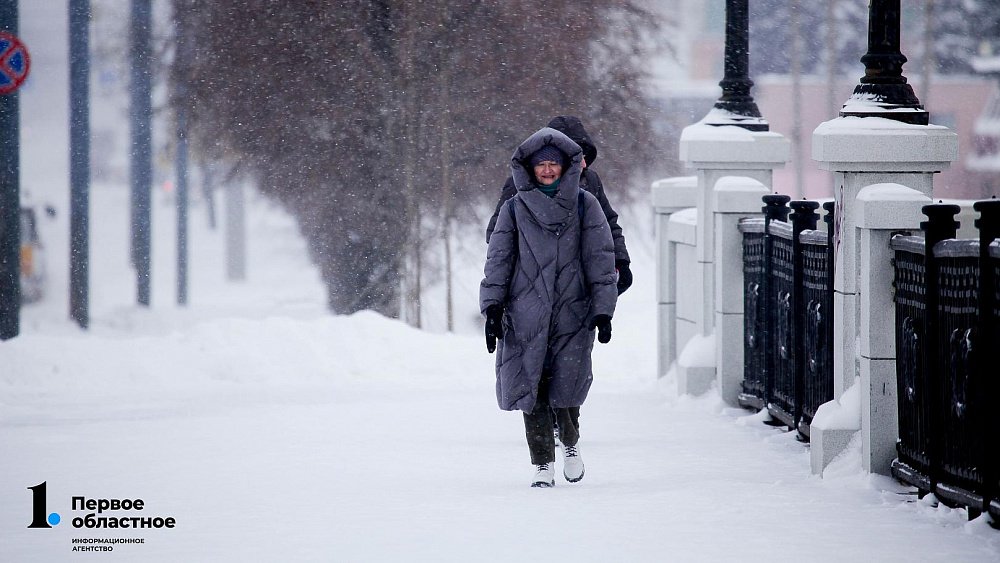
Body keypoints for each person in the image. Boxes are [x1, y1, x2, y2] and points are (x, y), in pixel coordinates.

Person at [480, 127, 618, 488]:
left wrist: (603, 310)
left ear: (566, 167)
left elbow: (600, 260)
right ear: (528, 167)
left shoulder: (586, 205)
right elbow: (499, 259)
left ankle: (570, 443)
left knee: (566, 384)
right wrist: (492, 307)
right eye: (540, 164)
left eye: (552, 164)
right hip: (526, 311)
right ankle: (542, 463)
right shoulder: (514, 209)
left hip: (572, 311)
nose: (546, 170)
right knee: (532, 388)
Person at [486, 115, 632, 296]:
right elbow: (497, 236)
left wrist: (621, 261)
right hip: (528, 293)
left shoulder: (590, 181)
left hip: (576, 290)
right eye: (577, 156)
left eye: (584, 156)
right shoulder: (521, 184)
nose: (583, 162)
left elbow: (608, 227)